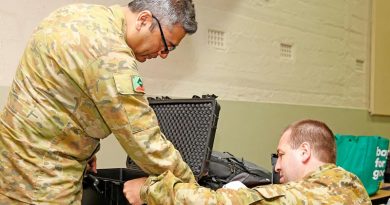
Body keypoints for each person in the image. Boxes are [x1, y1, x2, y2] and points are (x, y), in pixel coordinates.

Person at [0, 0, 197, 204]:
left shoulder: (73, 14)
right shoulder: (111, 55)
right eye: (167, 45)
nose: (163, 55)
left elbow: (61, 96)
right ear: (144, 20)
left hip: (11, 162)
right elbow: (144, 139)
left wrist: (87, 148)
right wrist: (191, 188)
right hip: (42, 179)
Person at [124, 119, 371, 205]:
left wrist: (147, 189)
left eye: (281, 154)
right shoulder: (353, 185)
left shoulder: (311, 195)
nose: (276, 166)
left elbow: (218, 203)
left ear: (304, 151)